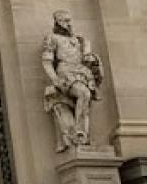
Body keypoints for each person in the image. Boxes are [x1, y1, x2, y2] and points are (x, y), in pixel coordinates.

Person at [42, 9, 104, 152]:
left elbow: (87, 57)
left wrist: (91, 58)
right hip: (65, 72)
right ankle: (80, 132)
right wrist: (54, 79)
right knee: (84, 94)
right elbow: (46, 61)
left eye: (70, 20)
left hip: (82, 72)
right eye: (65, 20)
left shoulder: (81, 40)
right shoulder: (52, 38)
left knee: (86, 97)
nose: (68, 24)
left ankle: (82, 134)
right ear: (57, 22)